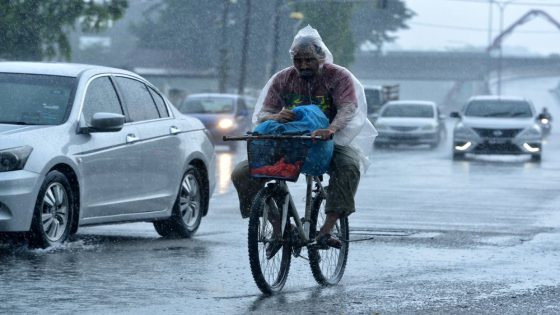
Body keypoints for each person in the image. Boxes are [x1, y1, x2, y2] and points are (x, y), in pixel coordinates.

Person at [231, 25, 376, 258]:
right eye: (298, 60)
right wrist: (276, 116)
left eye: (309, 60)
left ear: (321, 57)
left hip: (329, 142)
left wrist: (330, 129)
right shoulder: (283, 79)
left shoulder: (338, 77)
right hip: (290, 143)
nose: (304, 65)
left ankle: (327, 230)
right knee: (243, 173)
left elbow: (348, 108)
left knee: (348, 167)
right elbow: (264, 113)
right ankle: (278, 227)